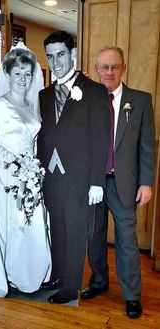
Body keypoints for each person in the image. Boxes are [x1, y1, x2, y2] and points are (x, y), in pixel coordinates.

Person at [0, 44, 51, 297]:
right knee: (13, 223)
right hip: (4, 173)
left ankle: (32, 274)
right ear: (9, 75)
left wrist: (30, 165)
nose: (24, 79)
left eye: (28, 74)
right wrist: (13, 160)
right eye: (18, 74)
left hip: (29, 171)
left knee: (32, 221)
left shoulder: (31, 105)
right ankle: (11, 274)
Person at [80, 46, 155, 318]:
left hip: (125, 184)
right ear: (97, 69)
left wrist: (146, 182)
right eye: (104, 67)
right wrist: (76, 89)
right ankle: (99, 281)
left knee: (127, 240)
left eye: (114, 66)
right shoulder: (86, 98)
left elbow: (147, 146)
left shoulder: (141, 100)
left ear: (123, 68)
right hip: (92, 182)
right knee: (94, 235)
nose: (109, 72)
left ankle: (132, 295)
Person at [37, 30, 111, 304]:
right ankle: (57, 275)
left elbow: (101, 137)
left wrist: (96, 182)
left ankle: (70, 288)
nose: (55, 62)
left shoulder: (94, 91)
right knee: (56, 227)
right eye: (50, 56)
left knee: (77, 230)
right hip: (50, 177)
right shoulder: (44, 96)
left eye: (61, 55)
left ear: (73, 55)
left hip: (80, 178)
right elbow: (44, 136)